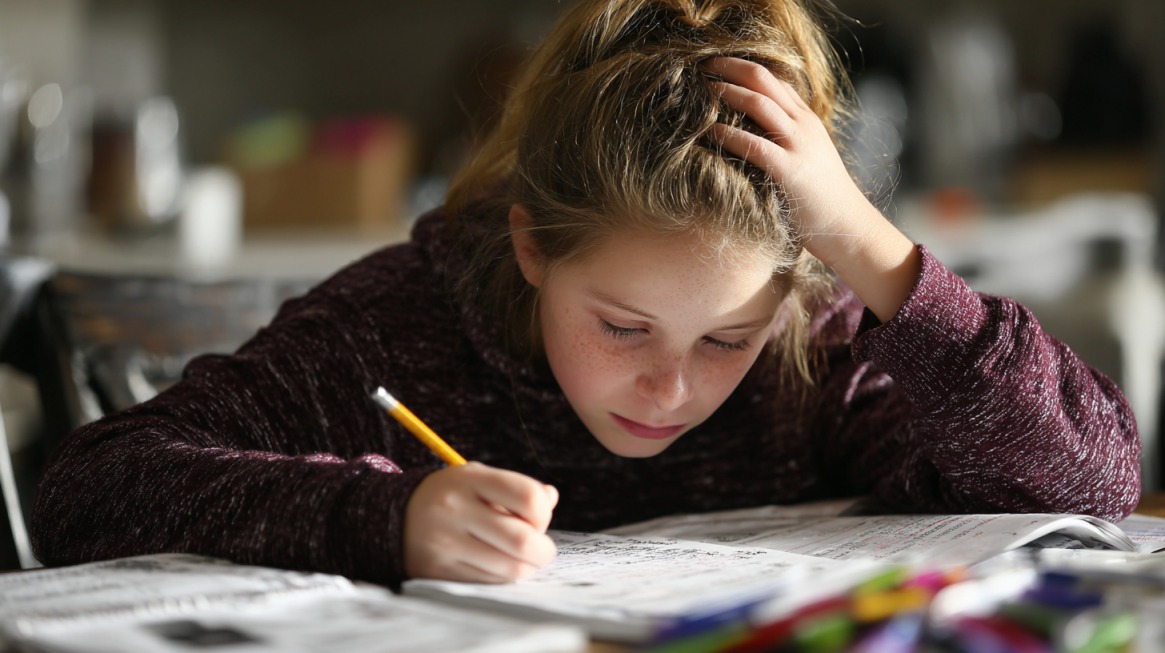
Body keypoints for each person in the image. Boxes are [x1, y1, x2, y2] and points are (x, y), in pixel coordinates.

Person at [32, 0, 1140, 587]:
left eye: (726, 338)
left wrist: (862, 242)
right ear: (527, 247)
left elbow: (1092, 481)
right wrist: (384, 515)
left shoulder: (816, 338)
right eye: (620, 324)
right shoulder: (394, 325)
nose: (669, 383)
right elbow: (87, 490)